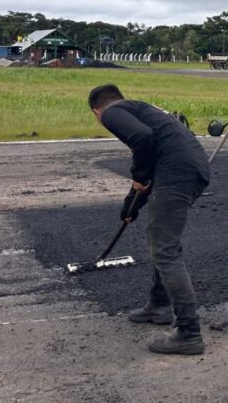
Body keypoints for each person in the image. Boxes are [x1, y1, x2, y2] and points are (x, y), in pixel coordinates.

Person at [88, 84, 210, 355]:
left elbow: (143, 141)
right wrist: (130, 206)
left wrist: (140, 176)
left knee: (165, 250)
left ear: (97, 111)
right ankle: (159, 305)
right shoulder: (142, 110)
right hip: (188, 167)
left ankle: (189, 333)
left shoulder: (111, 112)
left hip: (177, 173)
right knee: (162, 242)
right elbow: (151, 155)